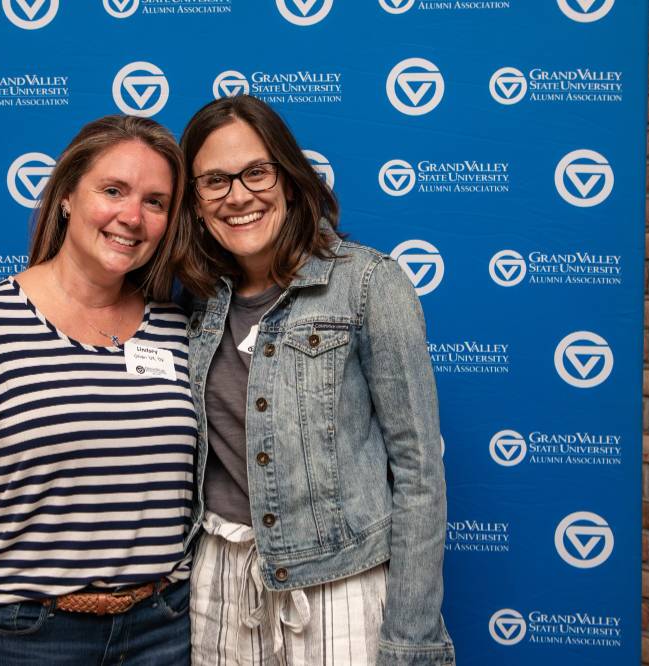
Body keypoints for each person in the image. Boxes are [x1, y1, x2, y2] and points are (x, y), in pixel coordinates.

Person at [175, 95, 455, 666]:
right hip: (220, 584)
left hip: (341, 583)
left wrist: (412, 636)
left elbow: (420, 471)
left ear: (289, 178)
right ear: (196, 203)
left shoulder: (370, 283)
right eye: (215, 181)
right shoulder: (192, 302)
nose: (239, 196)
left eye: (256, 172)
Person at [0, 115, 196, 666]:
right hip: (24, 636)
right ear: (67, 196)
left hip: (161, 631)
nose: (131, 217)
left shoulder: (178, 327)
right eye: (112, 190)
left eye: (156, 202)